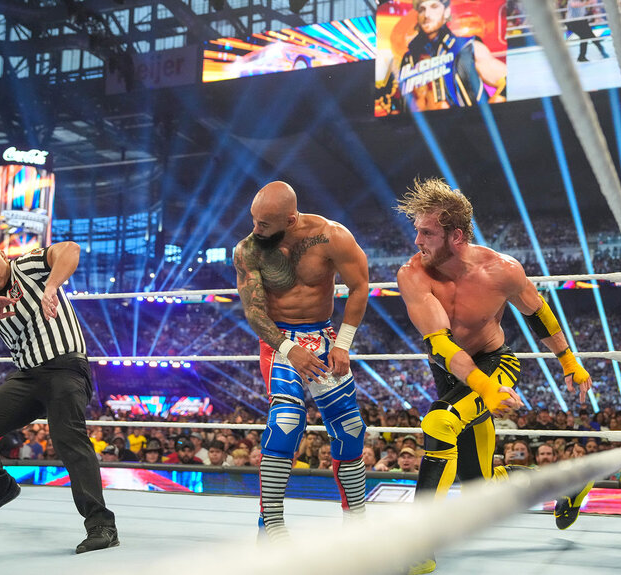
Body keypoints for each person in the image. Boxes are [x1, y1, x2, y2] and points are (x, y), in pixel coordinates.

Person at [395, 179, 594, 574]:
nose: (417, 240)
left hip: (495, 362)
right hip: (452, 372)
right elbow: (441, 344)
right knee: (479, 488)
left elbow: (536, 311)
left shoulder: (501, 270)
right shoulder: (412, 274)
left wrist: (568, 360)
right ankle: (566, 483)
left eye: (427, 232)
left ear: (456, 235)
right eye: (416, 230)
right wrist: (484, 389)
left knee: (439, 422)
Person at [0, 232, 117, 553]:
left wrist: (51, 287)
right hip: (27, 378)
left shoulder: (28, 266)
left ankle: (102, 524)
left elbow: (70, 249)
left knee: (68, 440)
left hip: (66, 369)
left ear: (1, 254)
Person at [234, 180, 369, 542]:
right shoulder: (248, 250)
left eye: (264, 224)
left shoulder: (332, 236)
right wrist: (289, 349)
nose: (255, 229)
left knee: (351, 428)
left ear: (291, 220)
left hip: (323, 335)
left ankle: (356, 519)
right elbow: (254, 312)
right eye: (254, 220)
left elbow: (360, 286)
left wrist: (343, 343)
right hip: (278, 340)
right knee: (287, 421)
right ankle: (271, 525)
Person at [378, 0, 507, 114]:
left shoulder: (467, 47)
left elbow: (507, 79)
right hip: (420, 136)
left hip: (463, 130)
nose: (427, 14)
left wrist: (494, 106)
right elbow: (403, 105)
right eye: (422, 9)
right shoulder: (409, 59)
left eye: (434, 7)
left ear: (446, 12)